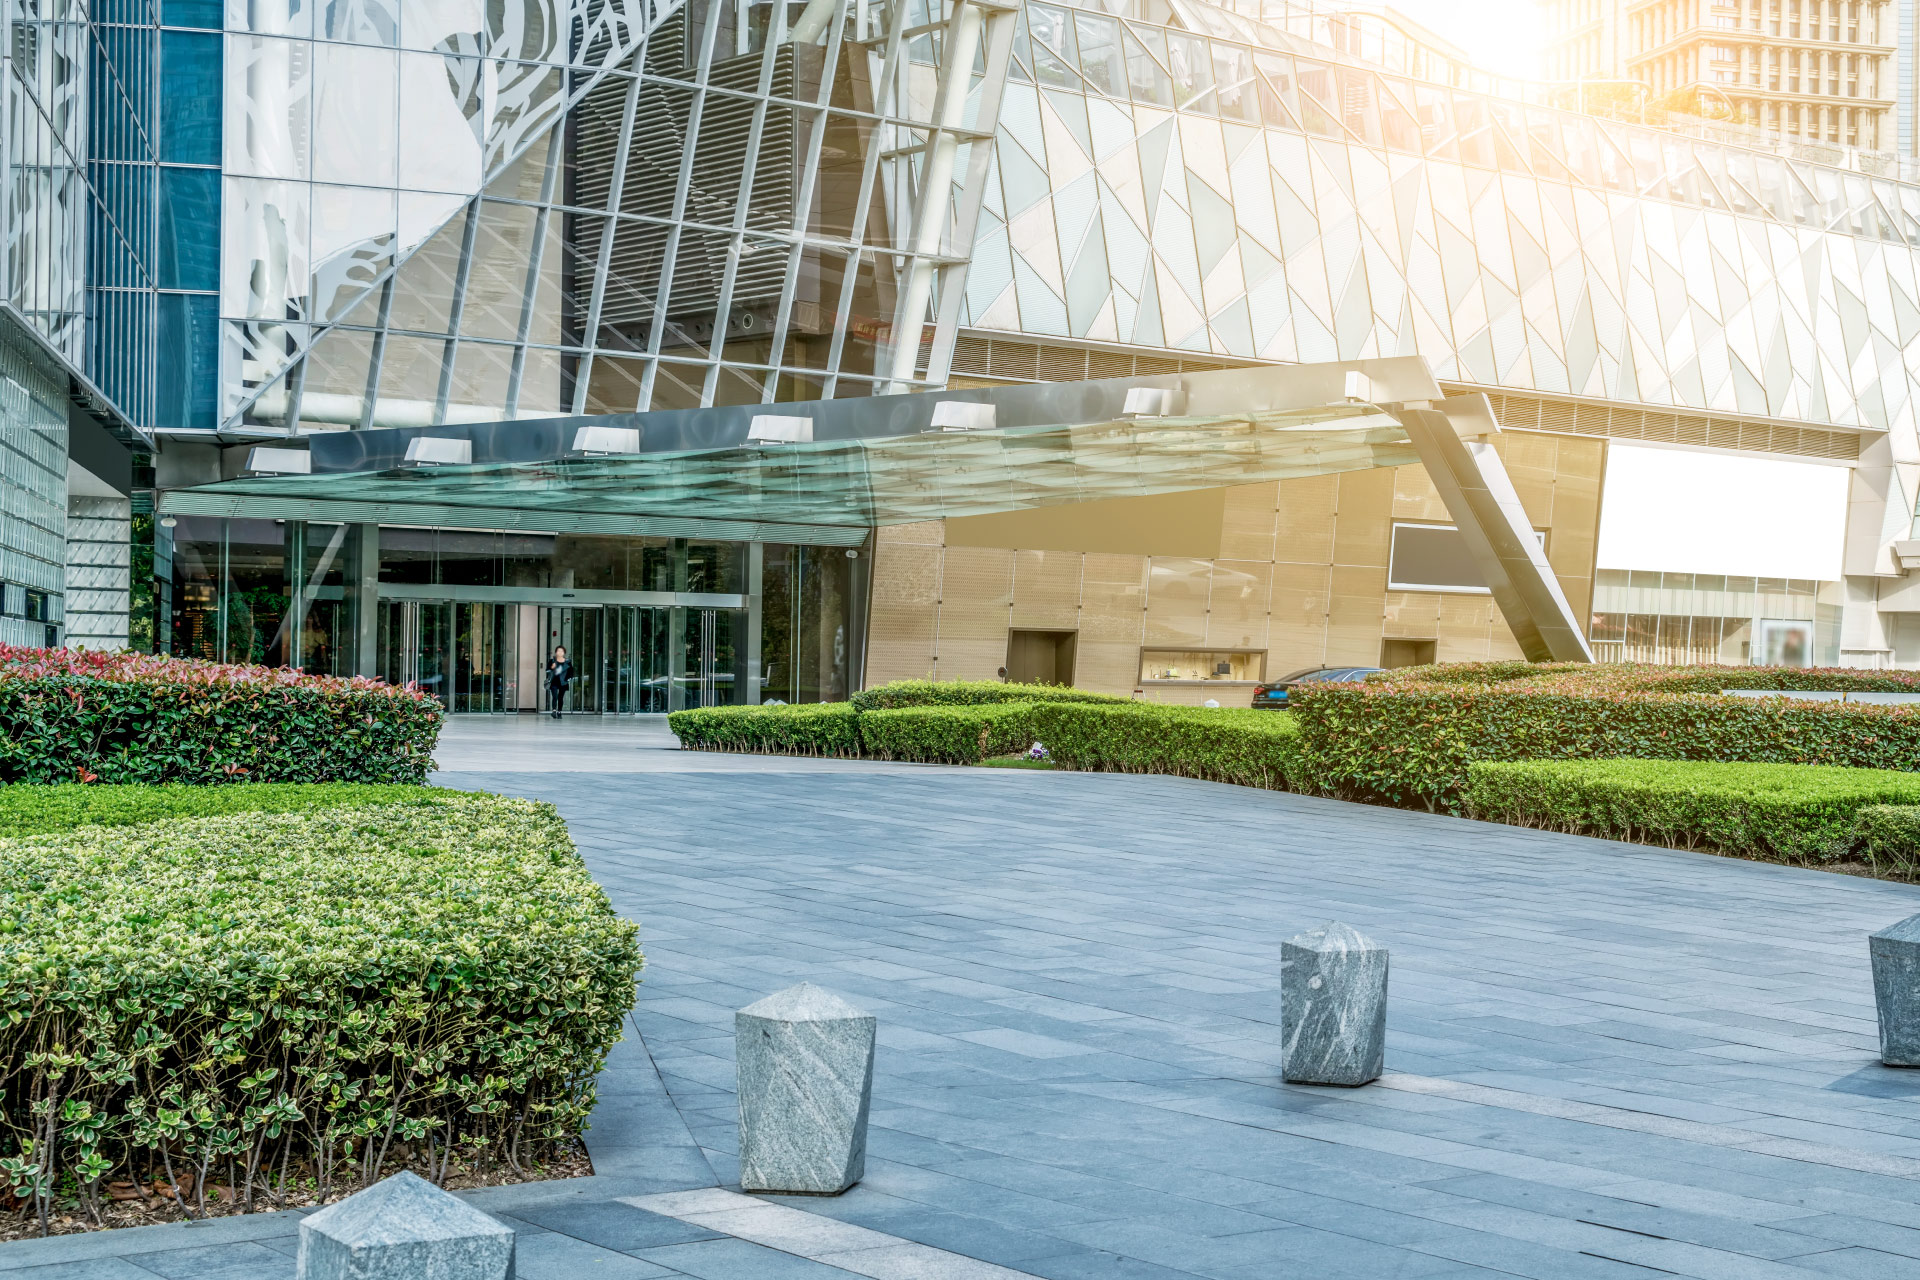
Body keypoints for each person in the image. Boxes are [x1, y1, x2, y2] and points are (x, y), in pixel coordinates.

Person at [545, 645, 573, 719]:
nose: (560, 652)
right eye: (558, 651)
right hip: (554, 681)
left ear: (564, 653)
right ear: (556, 652)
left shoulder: (568, 662)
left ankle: (559, 711)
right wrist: (552, 667)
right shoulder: (552, 661)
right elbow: (547, 670)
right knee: (555, 696)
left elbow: (571, 672)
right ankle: (554, 710)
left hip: (563, 682)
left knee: (561, 697)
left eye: (561, 651)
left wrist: (568, 678)